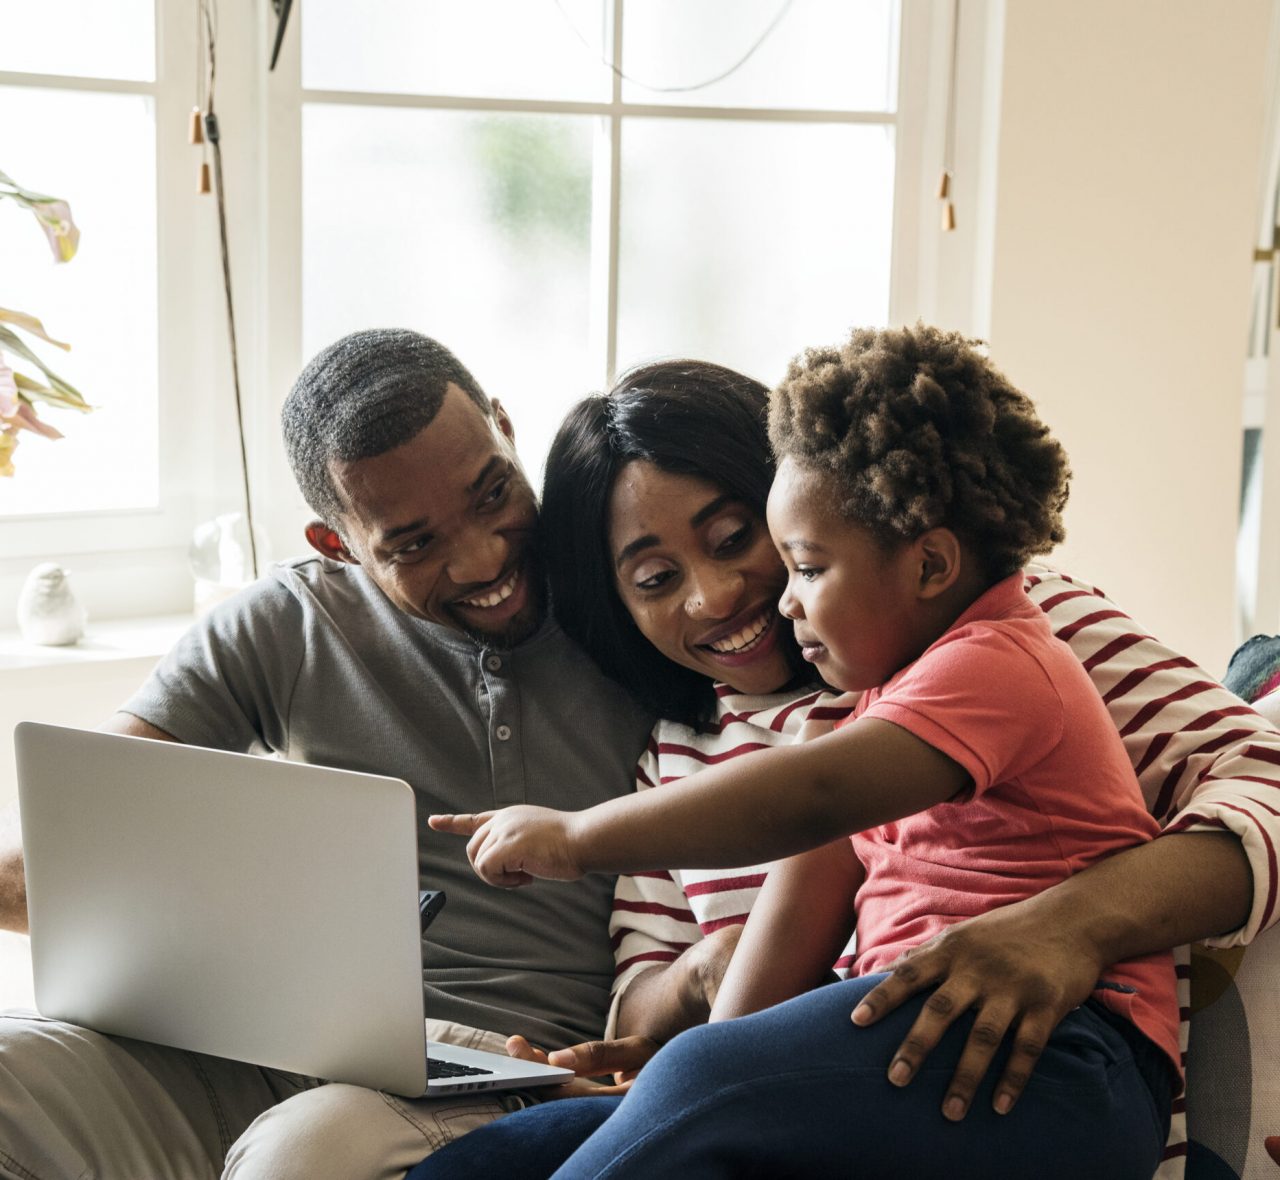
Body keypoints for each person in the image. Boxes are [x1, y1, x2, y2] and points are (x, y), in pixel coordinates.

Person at [424, 326, 1266, 1177]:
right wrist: (669, 1082)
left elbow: (806, 799)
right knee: (499, 1157)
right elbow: (775, 937)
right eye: (653, 579)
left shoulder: (1005, 646)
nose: (729, 597)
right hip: (887, 1068)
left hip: (1058, 1059)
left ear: (922, 555)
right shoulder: (839, 718)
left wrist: (1068, 926)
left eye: (752, 545)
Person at [0, 328, 655, 1180]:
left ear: (503, 425)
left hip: (495, 1069)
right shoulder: (288, 622)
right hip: (249, 1045)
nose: (484, 557)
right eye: (413, 543)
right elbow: (57, 855)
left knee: (301, 1155)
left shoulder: (641, 597)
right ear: (336, 543)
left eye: (493, 494)